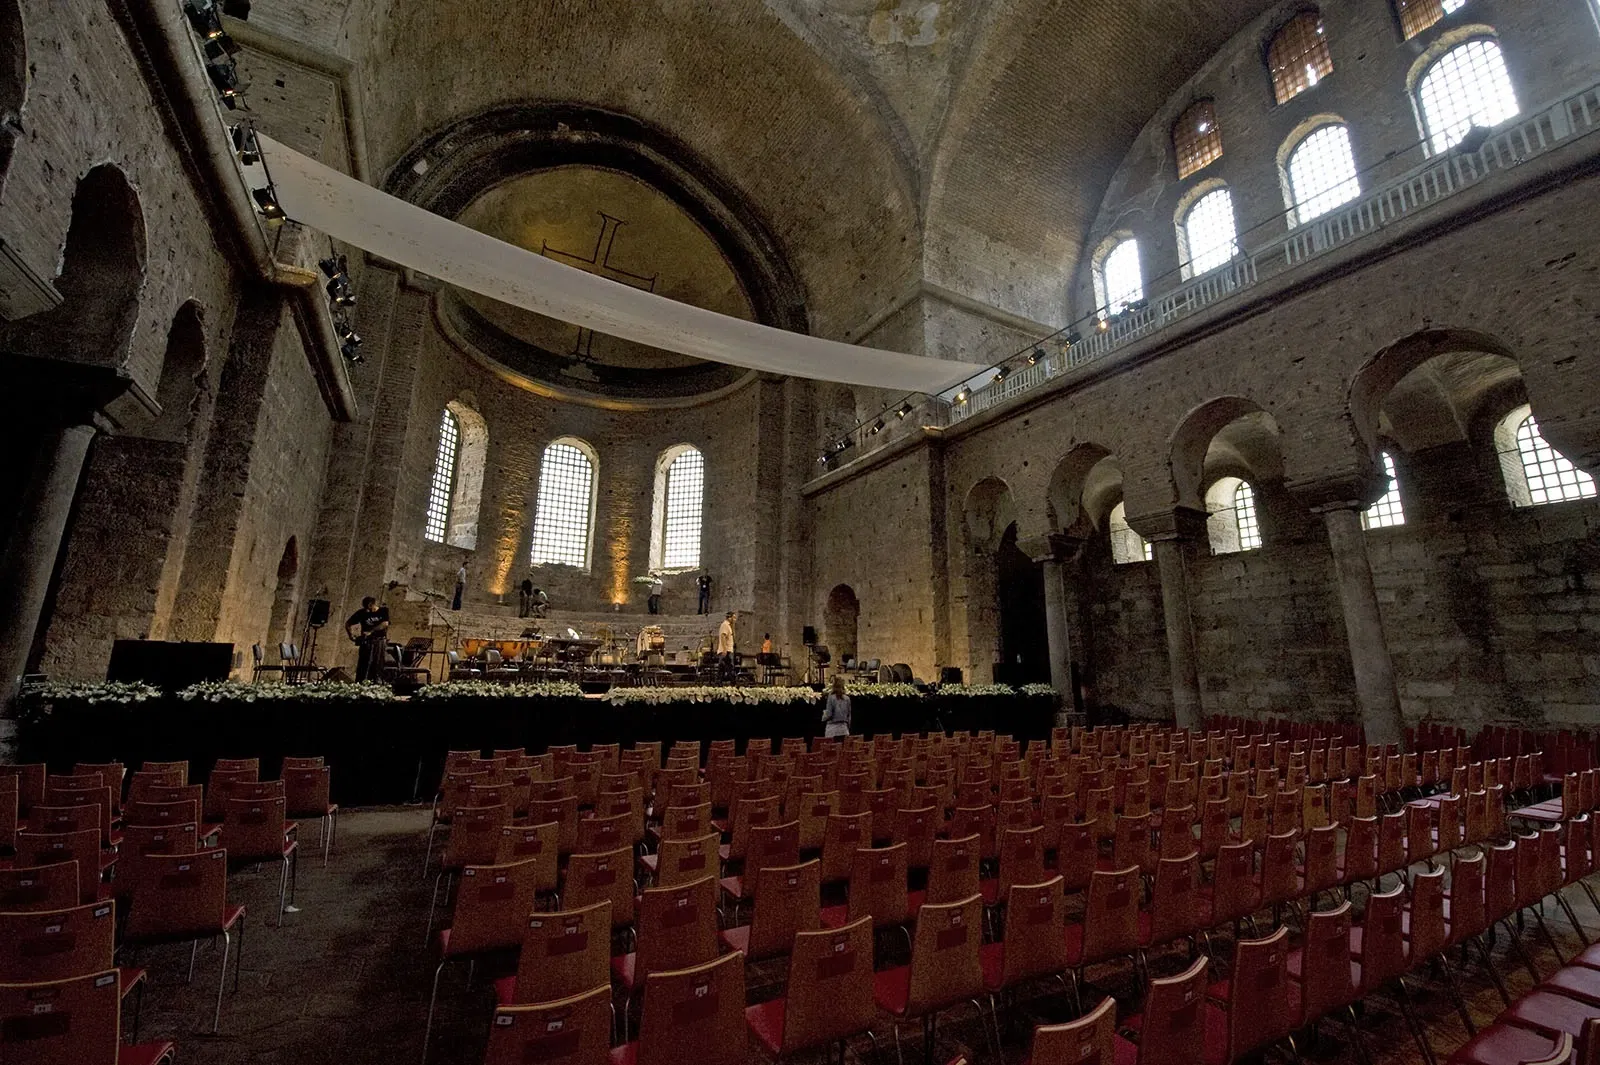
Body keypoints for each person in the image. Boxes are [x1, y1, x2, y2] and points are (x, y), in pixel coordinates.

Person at [345, 596, 390, 682]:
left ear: (372, 605)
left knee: (377, 665)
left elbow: (385, 624)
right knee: (363, 665)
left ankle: (376, 683)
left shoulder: (383, 611)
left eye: (368, 608)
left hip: (379, 641)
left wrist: (371, 631)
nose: (367, 610)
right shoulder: (361, 613)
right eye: (365, 608)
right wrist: (351, 635)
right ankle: (361, 683)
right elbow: (348, 624)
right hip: (366, 642)